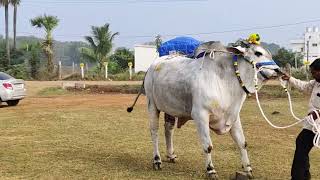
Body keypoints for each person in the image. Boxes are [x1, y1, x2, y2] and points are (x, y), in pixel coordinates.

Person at [281, 58, 320, 180]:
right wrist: (290, 79)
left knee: (302, 145)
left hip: (317, 123)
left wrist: (318, 113)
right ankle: (300, 176)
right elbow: (304, 86)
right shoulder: (316, 83)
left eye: (314, 72)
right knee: (301, 144)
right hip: (313, 124)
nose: (312, 75)